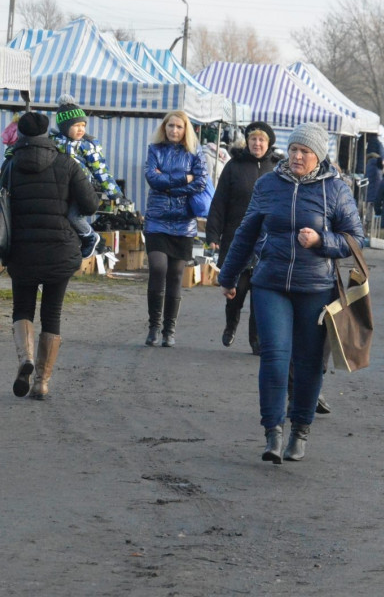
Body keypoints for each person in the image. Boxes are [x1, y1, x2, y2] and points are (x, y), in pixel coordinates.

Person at [218, 123, 364, 464]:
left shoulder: (336, 190)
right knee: (274, 356)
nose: (297, 156)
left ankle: (300, 430)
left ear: (319, 156)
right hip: (269, 283)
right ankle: (273, 432)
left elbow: (355, 240)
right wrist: (229, 275)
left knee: (309, 361)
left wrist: (321, 241)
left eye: (305, 152)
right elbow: (246, 232)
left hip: (315, 287)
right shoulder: (269, 184)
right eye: (294, 149)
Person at [3, 112, 99, 399]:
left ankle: (25, 359)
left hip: (21, 250)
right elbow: (90, 204)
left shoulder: (10, 165)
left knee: (22, 308)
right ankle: (42, 382)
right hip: (59, 249)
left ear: (20, 134)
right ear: (48, 133)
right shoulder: (66, 163)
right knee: (52, 314)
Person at [207, 121, 277, 353]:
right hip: (237, 238)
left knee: (260, 295)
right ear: (247, 141)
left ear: (269, 143)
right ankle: (231, 324)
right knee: (237, 290)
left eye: (262, 140)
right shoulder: (234, 166)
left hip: (266, 241)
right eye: (253, 139)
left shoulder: (276, 169)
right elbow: (219, 201)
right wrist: (213, 233)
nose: (257, 143)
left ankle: (256, 339)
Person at [143, 110, 209, 347]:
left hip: (183, 224)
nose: (174, 130)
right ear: (164, 127)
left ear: (185, 129)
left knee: (175, 276)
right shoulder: (155, 149)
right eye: (170, 126)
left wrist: (169, 184)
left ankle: (169, 330)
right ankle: (154, 326)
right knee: (158, 269)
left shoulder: (195, 152)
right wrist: (185, 178)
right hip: (156, 221)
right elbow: (152, 178)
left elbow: (201, 182)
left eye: (179, 127)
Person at [50, 95, 123, 258]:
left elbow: (100, 169)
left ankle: (91, 237)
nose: (81, 129)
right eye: (76, 125)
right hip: (61, 188)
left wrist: (114, 192)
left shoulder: (87, 145)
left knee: (74, 217)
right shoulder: (53, 142)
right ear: (64, 126)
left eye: (83, 125)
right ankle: (73, 244)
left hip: (81, 187)